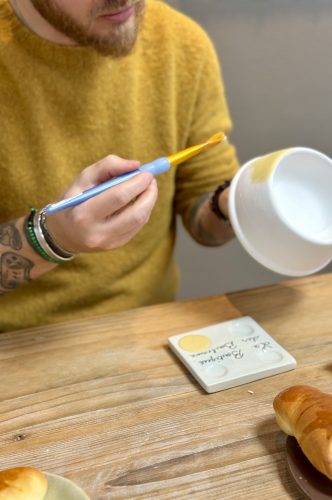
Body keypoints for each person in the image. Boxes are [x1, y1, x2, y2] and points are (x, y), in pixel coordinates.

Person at [0, 0, 239, 332]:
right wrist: (53, 237)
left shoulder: (182, 43)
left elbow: (204, 215)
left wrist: (233, 203)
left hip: (148, 335)